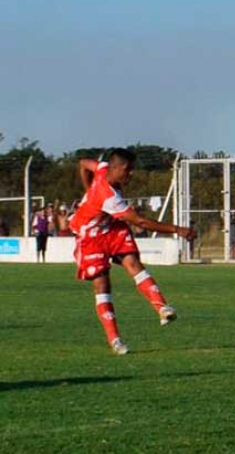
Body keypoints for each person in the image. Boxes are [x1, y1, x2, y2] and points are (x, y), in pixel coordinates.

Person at [70, 148, 196, 355]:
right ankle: (115, 339)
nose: (131, 174)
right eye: (127, 170)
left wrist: (88, 188)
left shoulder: (102, 169)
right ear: (115, 168)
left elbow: (83, 163)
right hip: (90, 236)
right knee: (102, 285)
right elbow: (141, 222)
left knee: (133, 263)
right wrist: (177, 230)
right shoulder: (108, 196)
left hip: (111, 227)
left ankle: (162, 308)